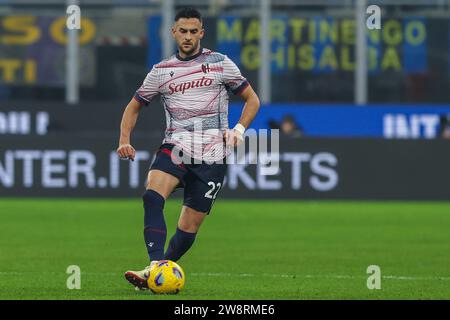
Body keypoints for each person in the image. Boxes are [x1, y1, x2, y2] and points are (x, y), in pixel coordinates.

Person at [116, 7, 260, 290]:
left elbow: (252, 99)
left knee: (189, 227)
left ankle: (154, 276)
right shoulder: (161, 72)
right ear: (174, 33)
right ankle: (157, 265)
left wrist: (239, 130)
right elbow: (134, 106)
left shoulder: (220, 63)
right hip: (177, 146)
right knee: (152, 195)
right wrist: (124, 140)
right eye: (183, 31)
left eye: (194, 31)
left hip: (213, 155)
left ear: (201, 33)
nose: (188, 36)